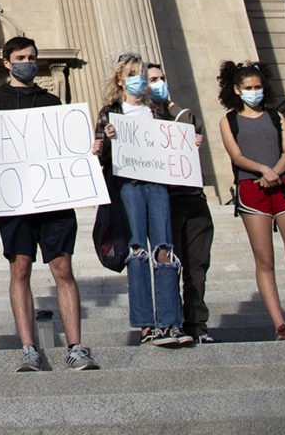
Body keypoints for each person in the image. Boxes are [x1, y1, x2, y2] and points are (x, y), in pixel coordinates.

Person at [0, 37, 101, 372]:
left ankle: (76, 347)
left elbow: (69, 147)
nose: (28, 62)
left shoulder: (51, 101)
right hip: (15, 201)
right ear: (6, 62)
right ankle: (28, 348)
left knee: (63, 268)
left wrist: (88, 149)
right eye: (20, 57)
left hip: (54, 200)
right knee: (20, 268)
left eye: (32, 57)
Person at [217, 60, 285, 340]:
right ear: (237, 90)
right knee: (265, 260)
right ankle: (280, 324)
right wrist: (263, 171)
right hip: (252, 189)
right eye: (249, 88)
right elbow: (236, 156)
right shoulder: (228, 120)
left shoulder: (276, 116)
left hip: (284, 186)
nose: (255, 92)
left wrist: (274, 171)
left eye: (259, 87)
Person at [97, 53, 188, 348]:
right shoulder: (110, 112)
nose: (139, 78)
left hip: (158, 185)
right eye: (133, 73)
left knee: (164, 249)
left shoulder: (158, 111)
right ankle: (146, 325)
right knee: (137, 251)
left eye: (142, 73)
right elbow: (100, 155)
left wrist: (190, 141)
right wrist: (105, 140)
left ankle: (171, 322)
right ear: (121, 79)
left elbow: (179, 140)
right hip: (128, 187)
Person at [146, 61, 215, 344]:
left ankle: (197, 324)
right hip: (164, 200)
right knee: (168, 264)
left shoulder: (182, 115)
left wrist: (171, 106)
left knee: (197, 265)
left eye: (162, 78)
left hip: (192, 197)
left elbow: (189, 124)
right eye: (152, 80)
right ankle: (170, 321)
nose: (159, 83)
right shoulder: (140, 121)